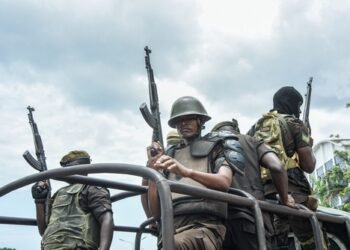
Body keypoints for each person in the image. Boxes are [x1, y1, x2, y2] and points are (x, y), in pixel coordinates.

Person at [143, 96, 245, 250]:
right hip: (172, 226)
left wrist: (186, 172)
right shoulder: (170, 154)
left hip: (204, 225)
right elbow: (156, 213)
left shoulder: (217, 147)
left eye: (189, 118)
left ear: (200, 121)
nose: (183, 123)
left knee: (175, 245)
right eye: (179, 120)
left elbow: (224, 181)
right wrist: (154, 173)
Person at [248, 86, 328, 250]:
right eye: (298, 105)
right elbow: (309, 166)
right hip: (293, 192)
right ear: (291, 104)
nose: (299, 110)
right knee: (315, 239)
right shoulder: (294, 124)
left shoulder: (256, 127)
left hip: (264, 194)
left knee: (276, 243)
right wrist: (308, 145)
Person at [212, 119, 296, 250]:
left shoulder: (209, 145)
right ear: (236, 130)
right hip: (253, 217)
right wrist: (284, 198)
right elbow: (277, 167)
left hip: (219, 221)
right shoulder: (251, 141)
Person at [31, 150, 114, 250]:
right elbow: (44, 231)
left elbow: (106, 219)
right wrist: (39, 200)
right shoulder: (59, 193)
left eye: (70, 166)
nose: (65, 170)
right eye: (64, 168)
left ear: (83, 167)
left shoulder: (91, 188)